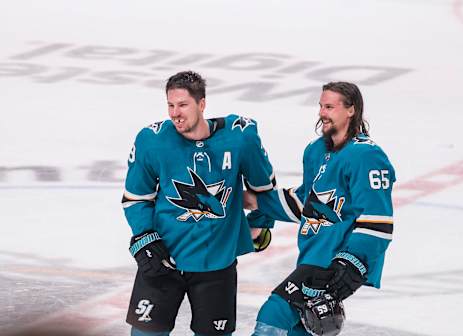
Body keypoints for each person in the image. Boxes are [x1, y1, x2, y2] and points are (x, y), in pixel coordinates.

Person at [121, 71, 275, 336]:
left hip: (216, 266)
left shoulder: (241, 137)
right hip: (164, 260)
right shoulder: (152, 140)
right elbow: (135, 199)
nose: (175, 113)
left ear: (202, 104)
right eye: (170, 105)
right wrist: (146, 237)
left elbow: (265, 190)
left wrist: (259, 225)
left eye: (183, 105)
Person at [245, 82, 396, 336]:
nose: (321, 113)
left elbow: (377, 221)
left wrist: (349, 265)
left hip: (334, 262)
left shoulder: (366, 156)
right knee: (299, 330)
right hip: (312, 255)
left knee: (275, 312)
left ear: (351, 110)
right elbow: (307, 204)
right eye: (320, 106)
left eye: (329, 107)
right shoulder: (316, 151)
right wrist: (258, 202)